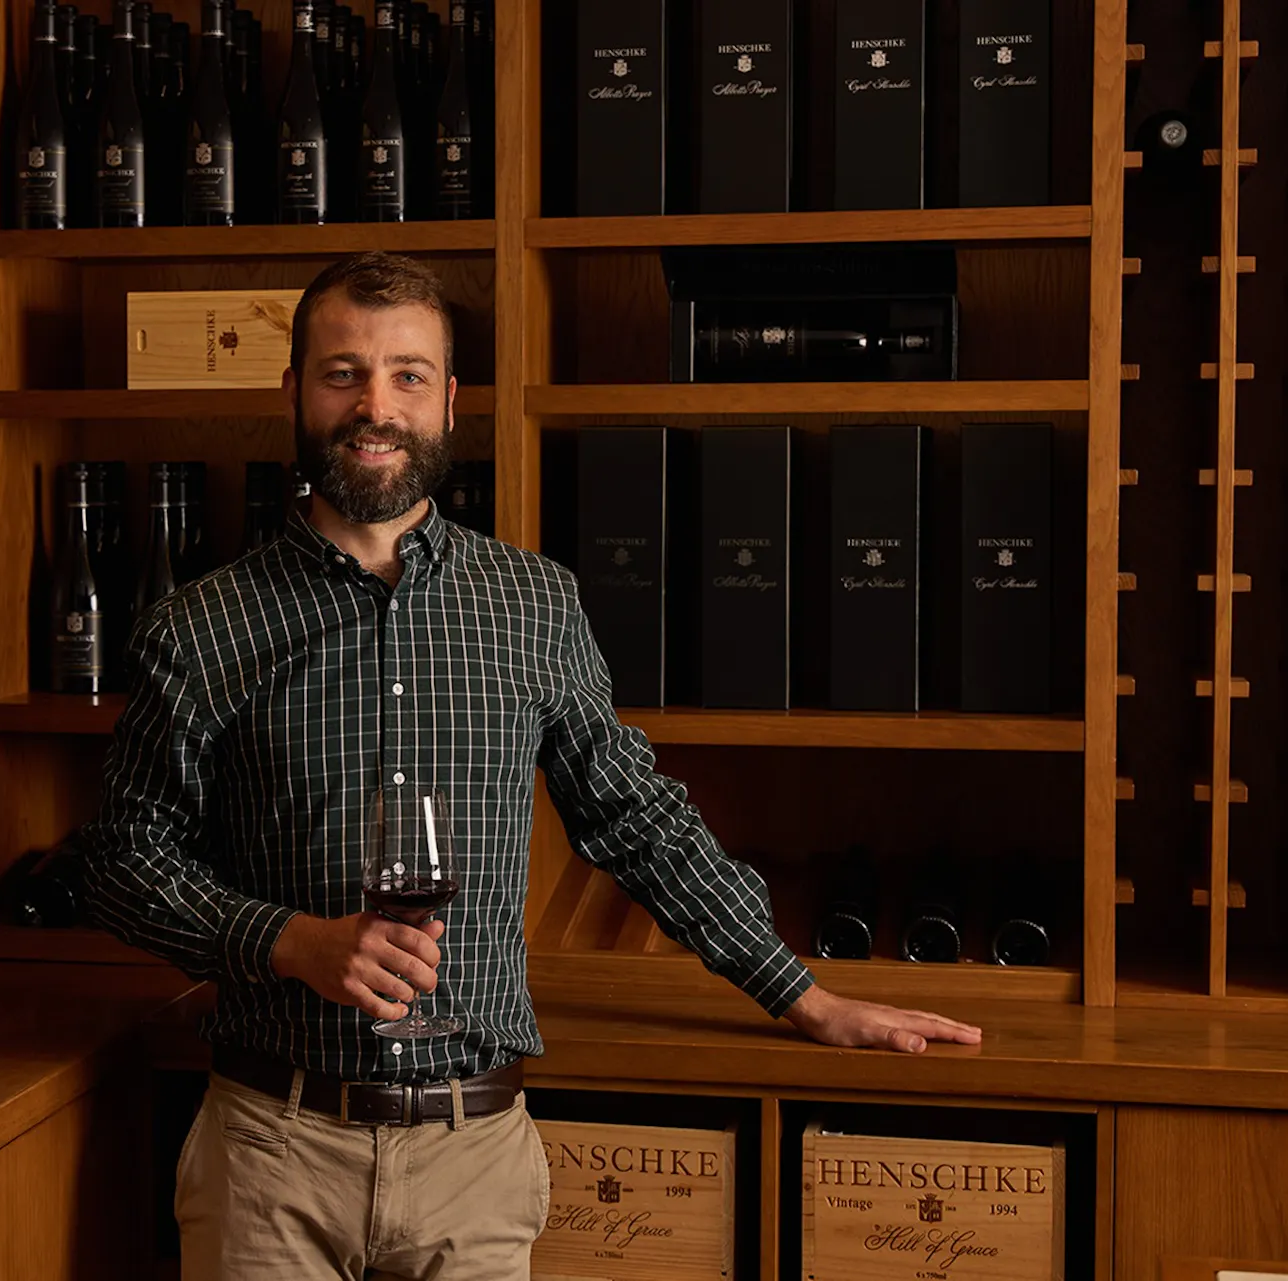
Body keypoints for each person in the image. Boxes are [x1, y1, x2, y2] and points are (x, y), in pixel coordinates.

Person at [71, 252, 982, 1280]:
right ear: (293, 393)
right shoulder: (202, 625)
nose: (376, 405)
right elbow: (121, 863)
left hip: (477, 1158)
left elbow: (637, 818)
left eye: (408, 375)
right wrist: (290, 942)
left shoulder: (533, 604)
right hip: (270, 1156)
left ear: (451, 401)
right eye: (343, 373)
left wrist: (802, 997)